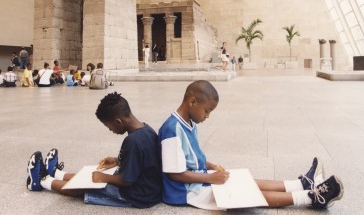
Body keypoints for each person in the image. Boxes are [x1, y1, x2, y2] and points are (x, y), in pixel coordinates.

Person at [158, 80, 344, 210]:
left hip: (200, 179)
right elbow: (174, 173)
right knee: (246, 194)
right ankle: (311, 198)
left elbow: (191, 157)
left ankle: (301, 184)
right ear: (192, 102)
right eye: (207, 111)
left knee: (243, 181)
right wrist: (210, 179)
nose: (207, 116)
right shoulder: (171, 129)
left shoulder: (188, 122)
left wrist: (211, 167)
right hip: (186, 192)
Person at [26, 92, 162, 209]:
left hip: (138, 195)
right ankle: (56, 173)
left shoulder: (133, 141)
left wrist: (104, 177)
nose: (110, 130)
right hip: (148, 188)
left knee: (85, 186)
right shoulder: (146, 130)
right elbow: (142, 160)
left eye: (109, 126)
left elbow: (127, 181)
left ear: (118, 121)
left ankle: (41, 181)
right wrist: (117, 160)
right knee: (92, 175)